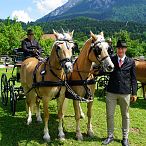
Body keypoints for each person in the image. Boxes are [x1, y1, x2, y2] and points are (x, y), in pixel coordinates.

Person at [102, 40, 137, 146]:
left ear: (125, 49)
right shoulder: (111, 59)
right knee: (110, 115)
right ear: (117, 49)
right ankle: (110, 136)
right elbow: (103, 70)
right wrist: (93, 72)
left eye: (122, 48)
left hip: (125, 92)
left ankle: (125, 138)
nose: (120, 50)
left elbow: (134, 79)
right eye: (118, 48)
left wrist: (134, 93)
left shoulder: (131, 61)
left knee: (125, 116)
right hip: (111, 92)